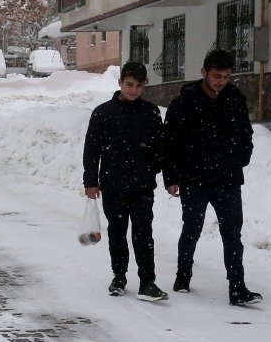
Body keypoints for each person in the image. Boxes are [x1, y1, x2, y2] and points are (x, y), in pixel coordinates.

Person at [164, 49, 261, 306]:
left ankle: (237, 287)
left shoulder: (234, 99)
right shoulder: (184, 102)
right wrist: (171, 177)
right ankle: (183, 275)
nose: (221, 81)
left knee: (232, 234)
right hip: (194, 179)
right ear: (204, 72)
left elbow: (245, 135)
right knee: (192, 229)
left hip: (227, 179)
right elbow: (170, 142)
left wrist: (241, 157)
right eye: (217, 75)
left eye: (226, 77)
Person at [83, 62, 167, 301]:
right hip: (113, 185)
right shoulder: (102, 113)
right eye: (129, 84)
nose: (133, 90)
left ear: (144, 87)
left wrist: (152, 167)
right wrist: (91, 181)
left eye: (139, 86)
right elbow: (92, 150)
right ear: (120, 83)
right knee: (117, 233)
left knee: (143, 234)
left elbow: (160, 147)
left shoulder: (151, 112)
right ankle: (119, 276)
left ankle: (147, 282)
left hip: (142, 186)